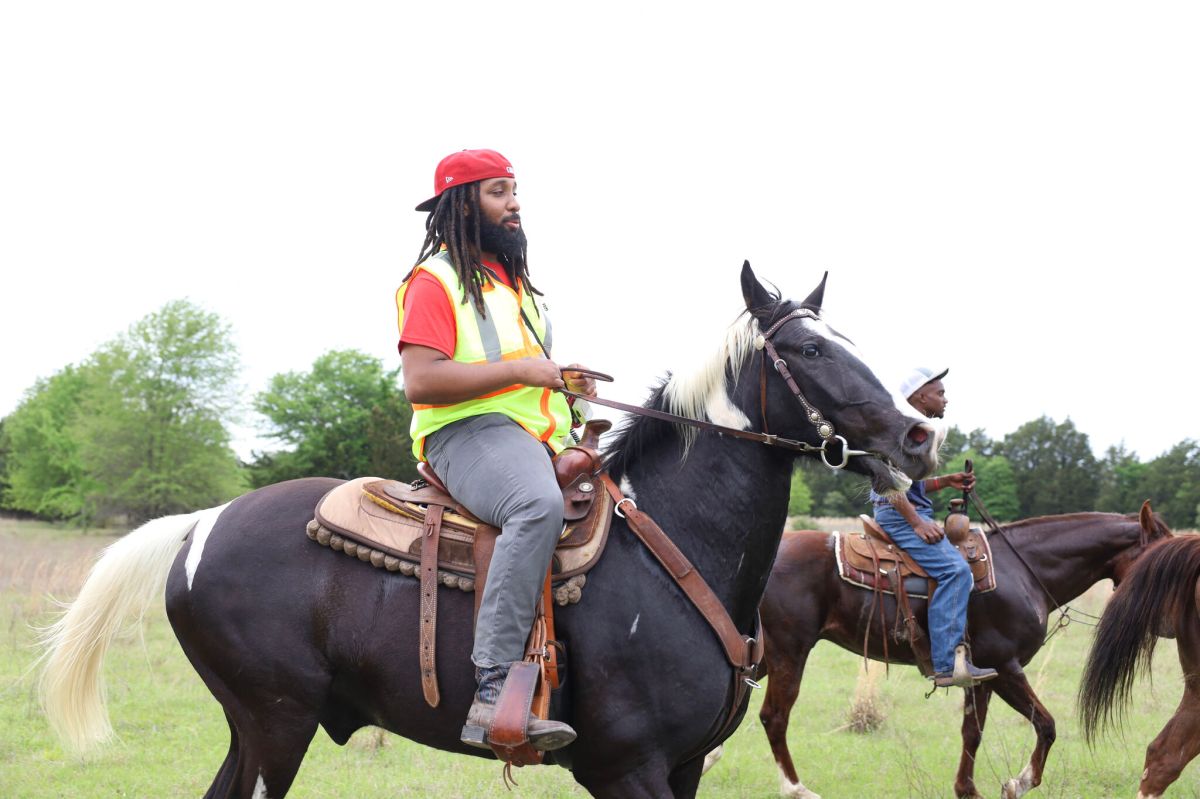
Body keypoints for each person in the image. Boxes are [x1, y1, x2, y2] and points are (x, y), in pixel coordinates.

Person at [396, 149, 593, 751]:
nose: (515, 203)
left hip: (534, 437)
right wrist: (528, 371)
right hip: (465, 433)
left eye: (515, 191)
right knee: (536, 507)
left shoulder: (518, 287)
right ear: (463, 203)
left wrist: (564, 383)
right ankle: (492, 689)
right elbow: (421, 380)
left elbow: (524, 375)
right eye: (499, 192)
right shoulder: (435, 279)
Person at [869, 366, 998, 689]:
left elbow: (910, 485)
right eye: (939, 393)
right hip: (898, 515)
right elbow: (886, 481)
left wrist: (946, 481)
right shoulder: (901, 430)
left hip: (903, 510)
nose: (945, 399)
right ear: (920, 396)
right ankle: (946, 665)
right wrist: (917, 523)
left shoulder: (912, 429)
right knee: (956, 572)